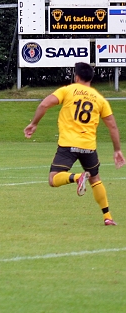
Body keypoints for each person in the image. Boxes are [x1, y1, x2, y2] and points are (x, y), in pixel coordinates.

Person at [24, 62, 124, 226]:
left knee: (53, 178)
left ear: (76, 76)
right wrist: (117, 150)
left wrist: (34, 123)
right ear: (91, 78)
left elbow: (44, 104)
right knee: (96, 179)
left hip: (68, 144)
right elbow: (112, 125)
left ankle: (77, 177)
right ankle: (108, 217)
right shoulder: (100, 99)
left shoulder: (68, 90)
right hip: (88, 146)